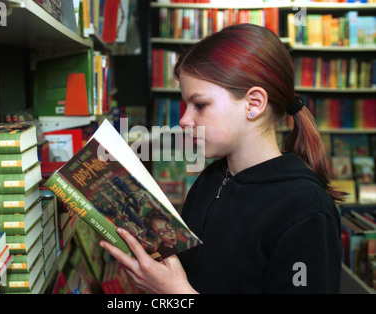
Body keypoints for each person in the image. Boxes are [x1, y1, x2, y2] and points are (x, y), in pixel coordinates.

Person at [99, 23, 345, 294]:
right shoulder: (211, 179)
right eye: (185, 105)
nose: (184, 120)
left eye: (200, 105)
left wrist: (176, 293)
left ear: (253, 104)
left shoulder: (306, 210)